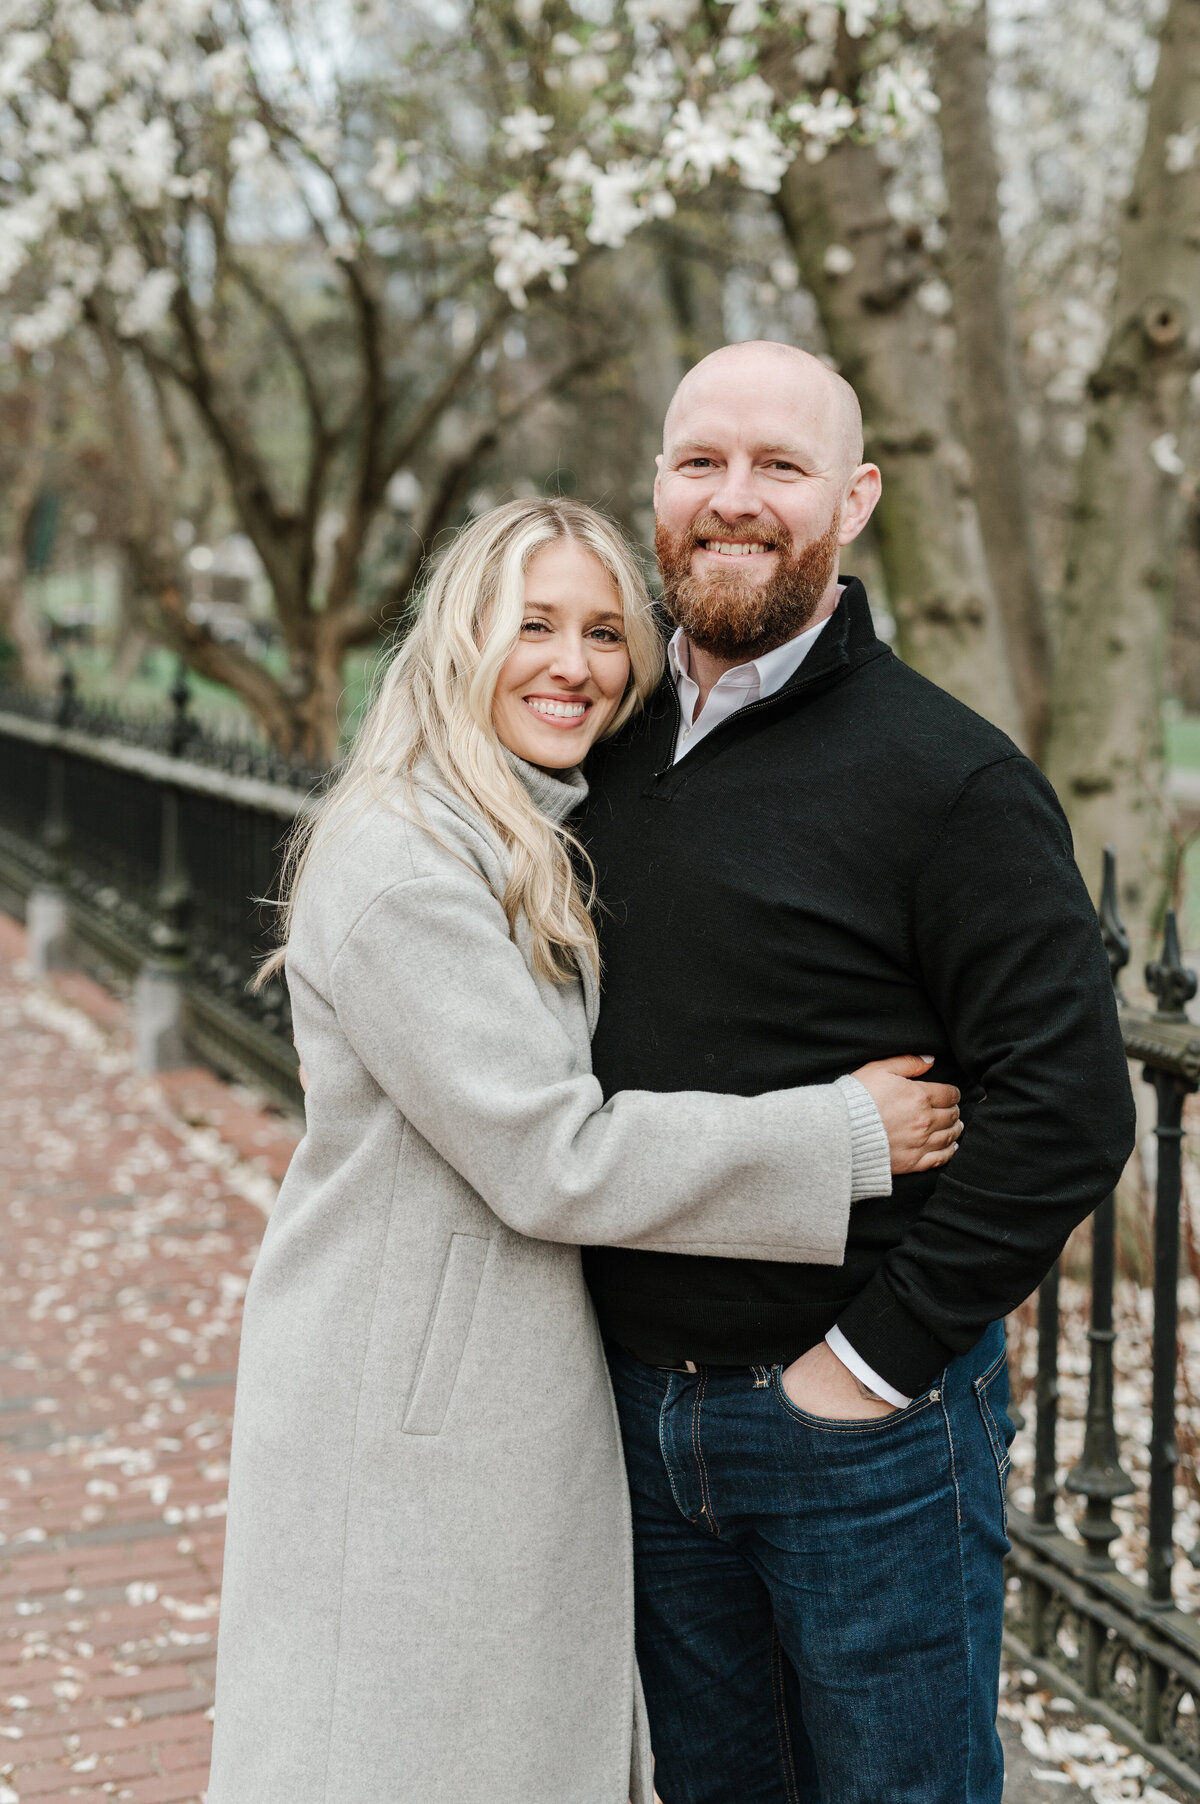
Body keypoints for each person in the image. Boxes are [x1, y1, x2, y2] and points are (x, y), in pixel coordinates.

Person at [205, 497, 960, 1804]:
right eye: (533, 625)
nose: (574, 662)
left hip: (496, 1386)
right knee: (389, 1759)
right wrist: (839, 1136)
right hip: (408, 1412)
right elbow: (550, 1153)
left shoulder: (522, 824)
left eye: (607, 630)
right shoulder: (402, 860)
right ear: (458, 640)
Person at [574, 342, 1137, 1804]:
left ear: (857, 498)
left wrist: (869, 1365)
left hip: (859, 1436)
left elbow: (1073, 1106)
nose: (734, 500)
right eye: (701, 462)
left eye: (781, 467)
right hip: (635, 1417)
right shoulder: (600, 751)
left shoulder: (947, 780)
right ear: (656, 487)